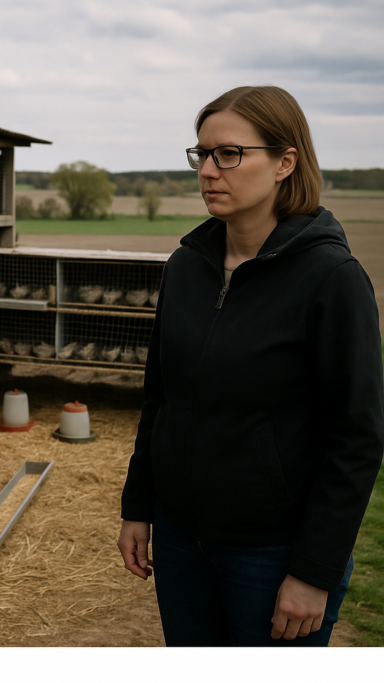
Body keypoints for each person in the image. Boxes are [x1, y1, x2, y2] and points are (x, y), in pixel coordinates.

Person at [117, 85, 384, 647]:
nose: (209, 170)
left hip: (272, 555)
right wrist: (139, 507)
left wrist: (314, 571)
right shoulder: (187, 267)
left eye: (229, 154)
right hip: (179, 541)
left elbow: (356, 440)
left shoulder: (332, 281)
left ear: (286, 162)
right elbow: (160, 399)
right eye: (202, 154)